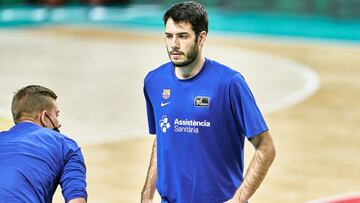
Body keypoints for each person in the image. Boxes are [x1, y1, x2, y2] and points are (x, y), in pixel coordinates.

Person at [141, 1, 276, 203]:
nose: (173, 45)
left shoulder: (229, 83)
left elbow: (266, 148)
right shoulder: (154, 82)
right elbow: (162, 138)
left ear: (201, 37)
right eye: (169, 36)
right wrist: (147, 195)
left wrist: (238, 200)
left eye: (182, 36)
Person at [0, 85, 87, 203]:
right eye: (56, 115)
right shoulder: (66, 146)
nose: (58, 123)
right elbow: (76, 200)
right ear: (44, 117)